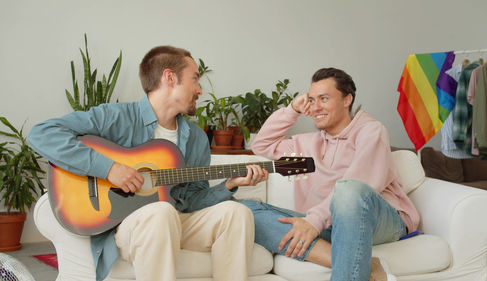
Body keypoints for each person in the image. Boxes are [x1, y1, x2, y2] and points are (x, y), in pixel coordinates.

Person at [28, 45, 268, 281]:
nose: (199, 90)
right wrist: (109, 168)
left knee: (236, 213)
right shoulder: (118, 117)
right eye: (195, 80)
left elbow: (194, 198)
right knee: (161, 212)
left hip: (176, 220)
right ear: (170, 77)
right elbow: (42, 133)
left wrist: (228, 185)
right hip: (128, 228)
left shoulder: (195, 137)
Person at [241, 67, 420, 281]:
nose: (316, 107)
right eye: (311, 100)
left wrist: (313, 221)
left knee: (348, 189)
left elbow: (361, 182)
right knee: (244, 211)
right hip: (328, 225)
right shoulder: (307, 144)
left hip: (378, 219)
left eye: (324, 99)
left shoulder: (371, 131)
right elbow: (261, 145)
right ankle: (367, 265)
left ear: (347, 100)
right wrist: (293, 109)